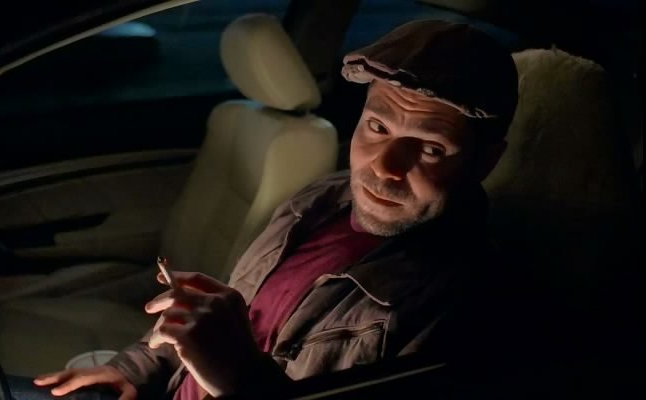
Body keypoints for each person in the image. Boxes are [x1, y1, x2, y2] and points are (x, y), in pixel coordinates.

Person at [30, 19, 519, 400]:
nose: (385, 166)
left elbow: (233, 360)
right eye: (377, 127)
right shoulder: (319, 200)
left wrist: (242, 378)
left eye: (430, 148)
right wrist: (133, 369)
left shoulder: (465, 303)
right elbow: (222, 326)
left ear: (484, 162)